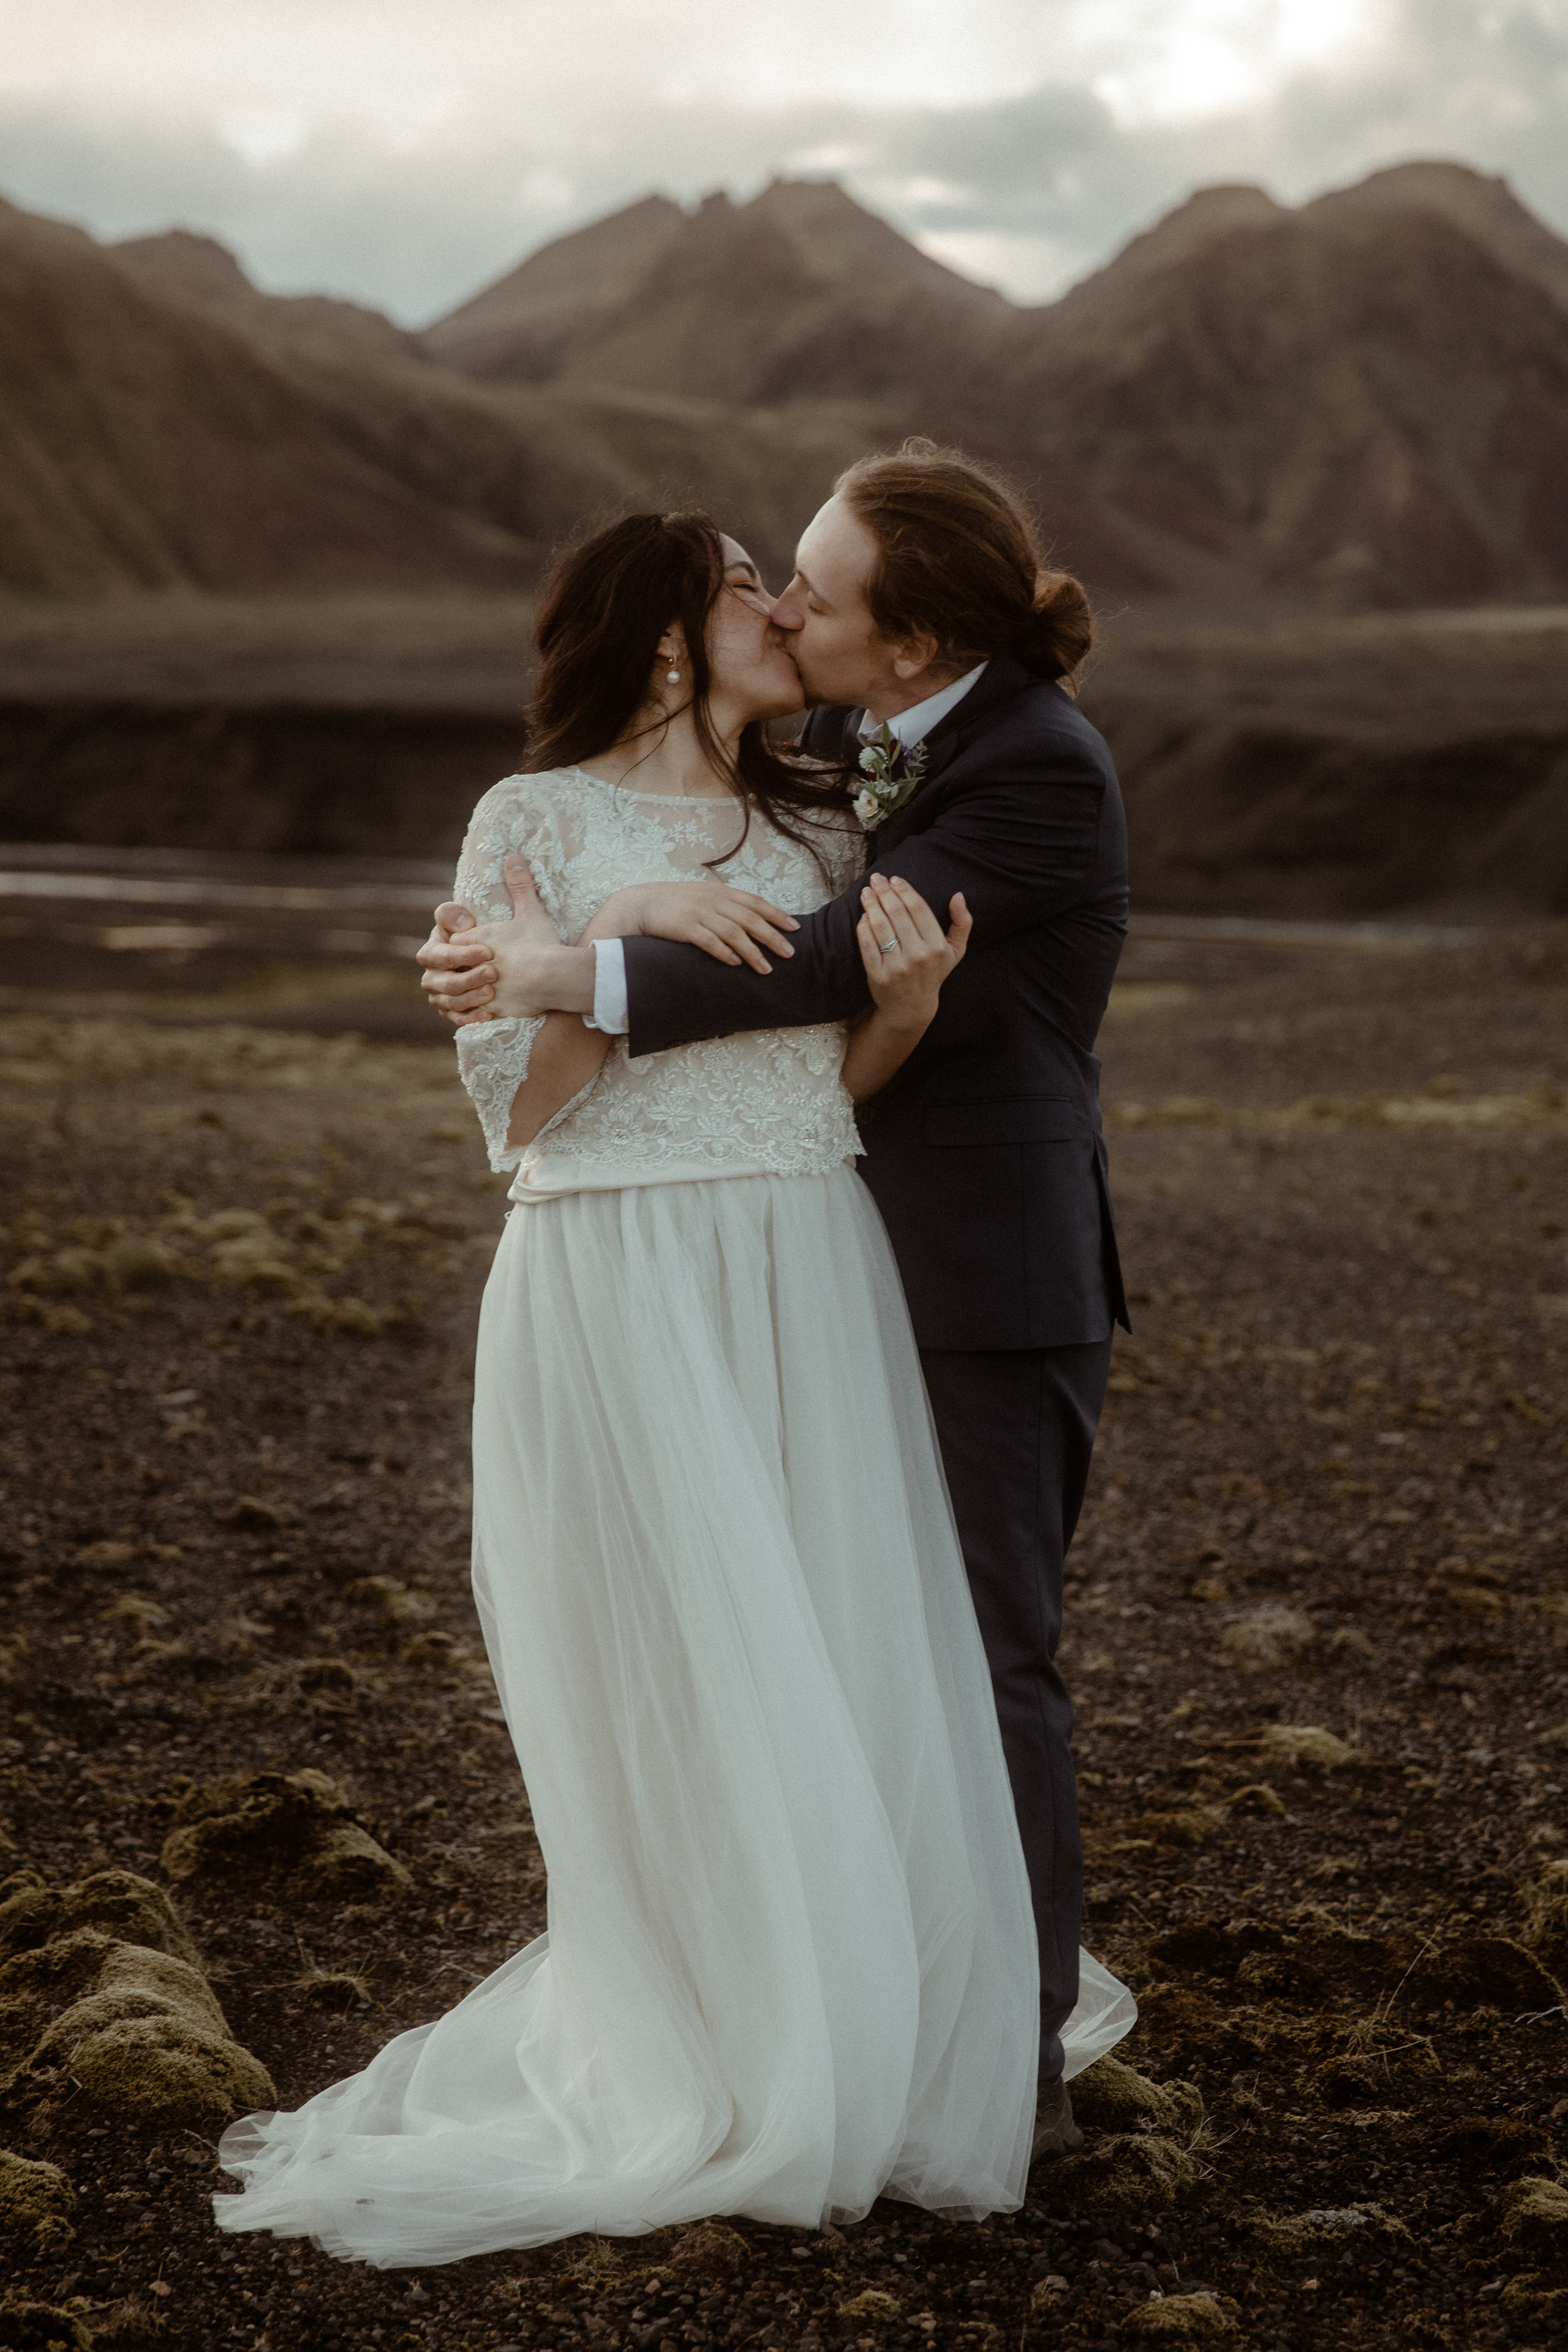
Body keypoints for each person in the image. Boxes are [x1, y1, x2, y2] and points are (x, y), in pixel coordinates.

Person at [213, 509, 1134, 2268]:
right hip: (616, 1268)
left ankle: (865, 2036)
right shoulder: (529, 820)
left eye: (799, 586)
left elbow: (830, 1070)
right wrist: (624, 918)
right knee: (669, 1664)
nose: (782, 607)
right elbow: (519, 1111)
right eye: (746, 584)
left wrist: (905, 1014)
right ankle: (709, 2047)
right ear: (661, 636)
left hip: (810, 1262)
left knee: (839, 1647)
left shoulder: (827, 818)